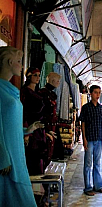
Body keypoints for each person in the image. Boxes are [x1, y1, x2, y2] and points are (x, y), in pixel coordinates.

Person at [0, 46, 44, 206]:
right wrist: (3, 156)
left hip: (16, 150)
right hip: (7, 155)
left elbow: (10, 123)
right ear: (10, 62)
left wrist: (28, 129)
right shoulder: (2, 91)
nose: (21, 65)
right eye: (19, 61)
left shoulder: (11, 91)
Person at [79, 85, 102, 196]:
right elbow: (83, 124)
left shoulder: (101, 108)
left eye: (99, 92)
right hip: (89, 139)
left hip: (99, 138)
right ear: (90, 94)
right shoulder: (86, 108)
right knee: (88, 164)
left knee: (97, 163)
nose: (97, 95)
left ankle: (98, 186)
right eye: (95, 92)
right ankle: (87, 187)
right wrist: (84, 139)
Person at [20, 67, 47, 175]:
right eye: (35, 75)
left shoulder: (37, 92)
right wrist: (27, 132)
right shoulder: (25, 92)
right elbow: (23, 111)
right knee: (31, 157)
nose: (38, 78)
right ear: (29, 76)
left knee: (39, 157)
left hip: (39, 129)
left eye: (39, 75)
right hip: (30, 128)